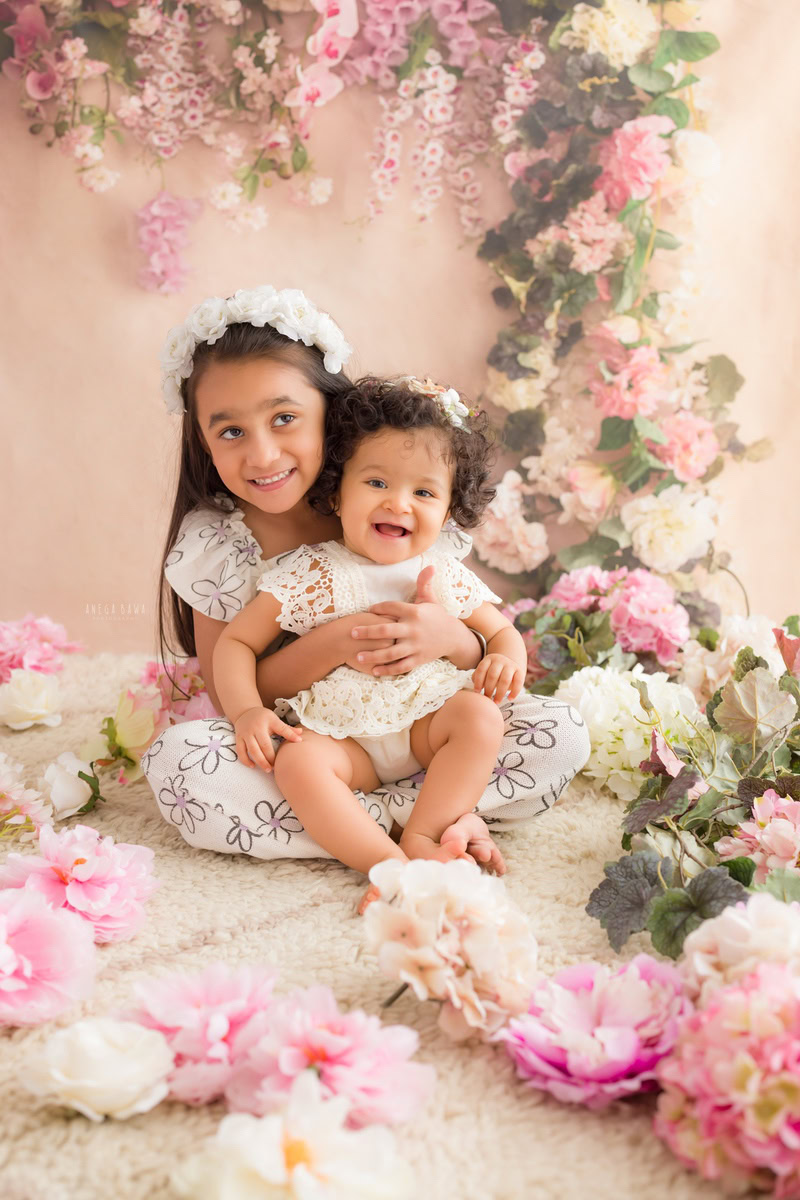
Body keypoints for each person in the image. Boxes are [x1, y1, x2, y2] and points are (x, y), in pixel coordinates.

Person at [142, 284, 590, 869]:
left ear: (331, 413)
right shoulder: (219, 546)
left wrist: (449, 638)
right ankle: (426, 819)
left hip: (426, 723)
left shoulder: (392, 500)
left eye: (284, 418)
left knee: (559, 731)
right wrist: (336, 643)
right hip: (317, 741)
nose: (263, 455)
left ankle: (390, 820)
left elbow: (481, 645)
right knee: (183, 764)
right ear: (202, 440)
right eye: (231, 432)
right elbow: (238, 695)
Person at [213, 374, 527, 890]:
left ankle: (423, 835)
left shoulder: (442, 572)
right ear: (337, 494)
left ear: (448, 511)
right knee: (297, 764)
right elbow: (237, 642)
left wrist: (504, 659)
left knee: (481, 716)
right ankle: (385, 863)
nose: (399, 504)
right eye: (377, 483)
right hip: (343, 739)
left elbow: (502, 633)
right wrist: (247, 711)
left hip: (427, 727)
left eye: (423, 492)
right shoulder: (312, 572)